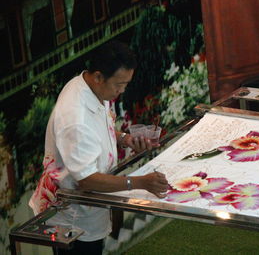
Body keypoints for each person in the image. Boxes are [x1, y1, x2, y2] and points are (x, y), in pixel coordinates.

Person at [29, 40, 169, 254]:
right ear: (98, 77)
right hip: (73, 217)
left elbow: (101, 126)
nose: (121, 91)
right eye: (118, 85)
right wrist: (141, 182)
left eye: (126, 85)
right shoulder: (75, 118)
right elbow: (87, 179)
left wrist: (124, 138)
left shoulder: (91, 87)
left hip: (91, 207)